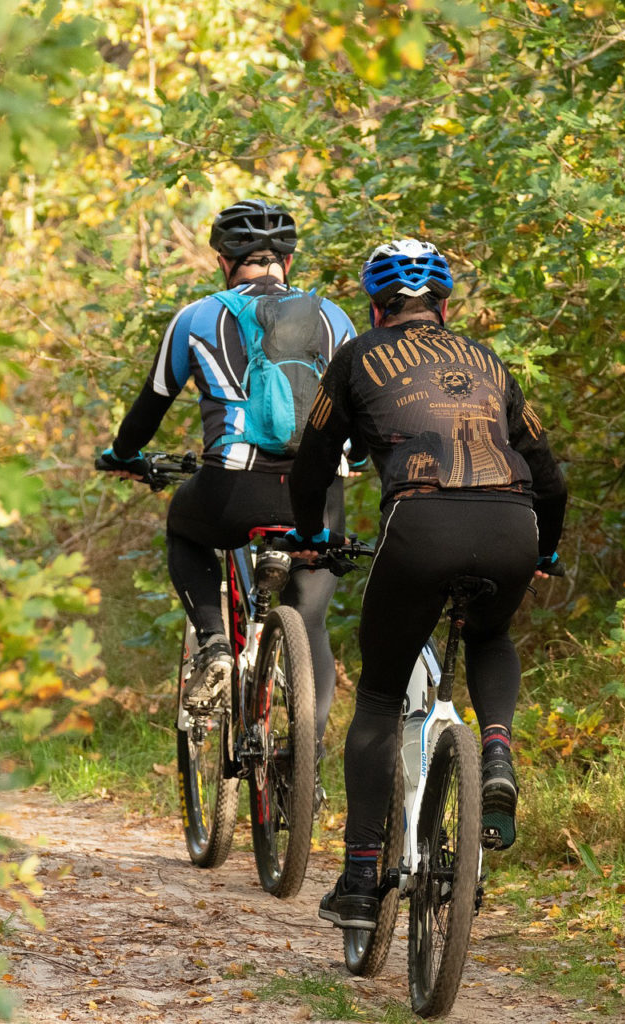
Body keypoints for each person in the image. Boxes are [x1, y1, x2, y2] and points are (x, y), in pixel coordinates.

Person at [287, 239, 567, 927]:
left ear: (375, 308)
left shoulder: (358, 358)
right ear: (445, 307)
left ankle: (357, 880)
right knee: (491, 632)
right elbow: (550, 472)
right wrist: (545, 552)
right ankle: (496, 748)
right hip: (512, 519)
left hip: (420, 521)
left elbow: (312, 463)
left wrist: (312, 537)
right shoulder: (489, 361)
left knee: (380, 695)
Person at [97, 199, 358, 749]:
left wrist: (123, 455)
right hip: (319, 492)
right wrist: (352, 459)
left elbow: (150, 408)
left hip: (233, 487)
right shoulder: (335, 318)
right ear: (289, 259)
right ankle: (301, 762)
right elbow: (358, 410)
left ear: (223, 260)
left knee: (184, 527)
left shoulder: (197, 317)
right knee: (309, 621)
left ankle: (215, 644)